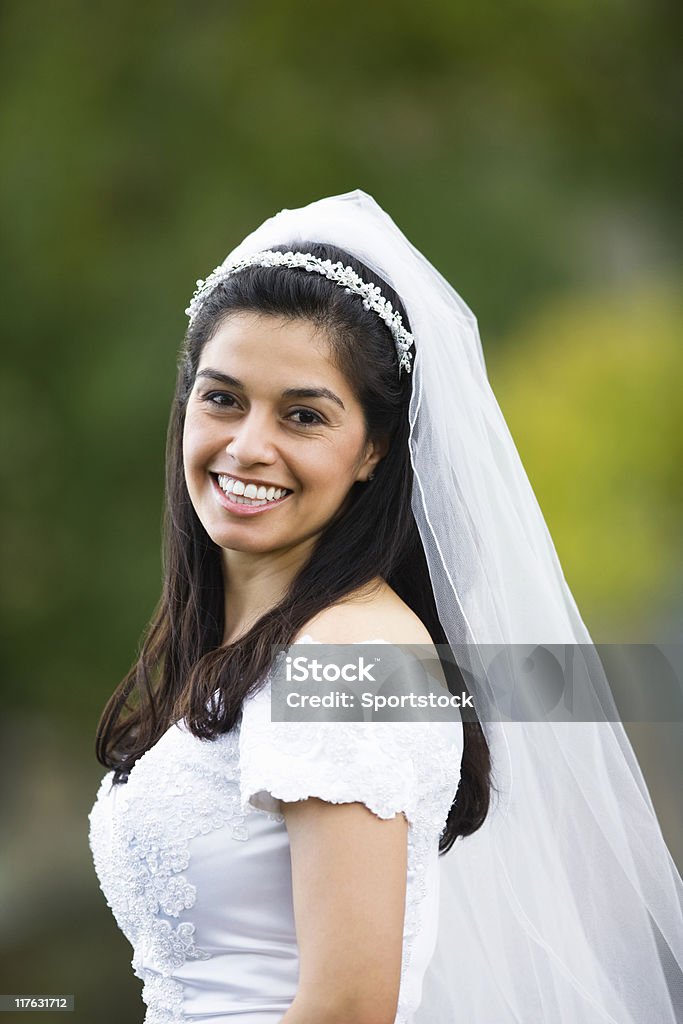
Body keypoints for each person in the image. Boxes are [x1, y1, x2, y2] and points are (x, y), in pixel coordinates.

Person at [88, 189, 683, 1024]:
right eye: (223, 398)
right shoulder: (263, 646)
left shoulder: (348, 661)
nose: (248, 445)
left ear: (371, 448)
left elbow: (347, 1007)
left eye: (302, 415)